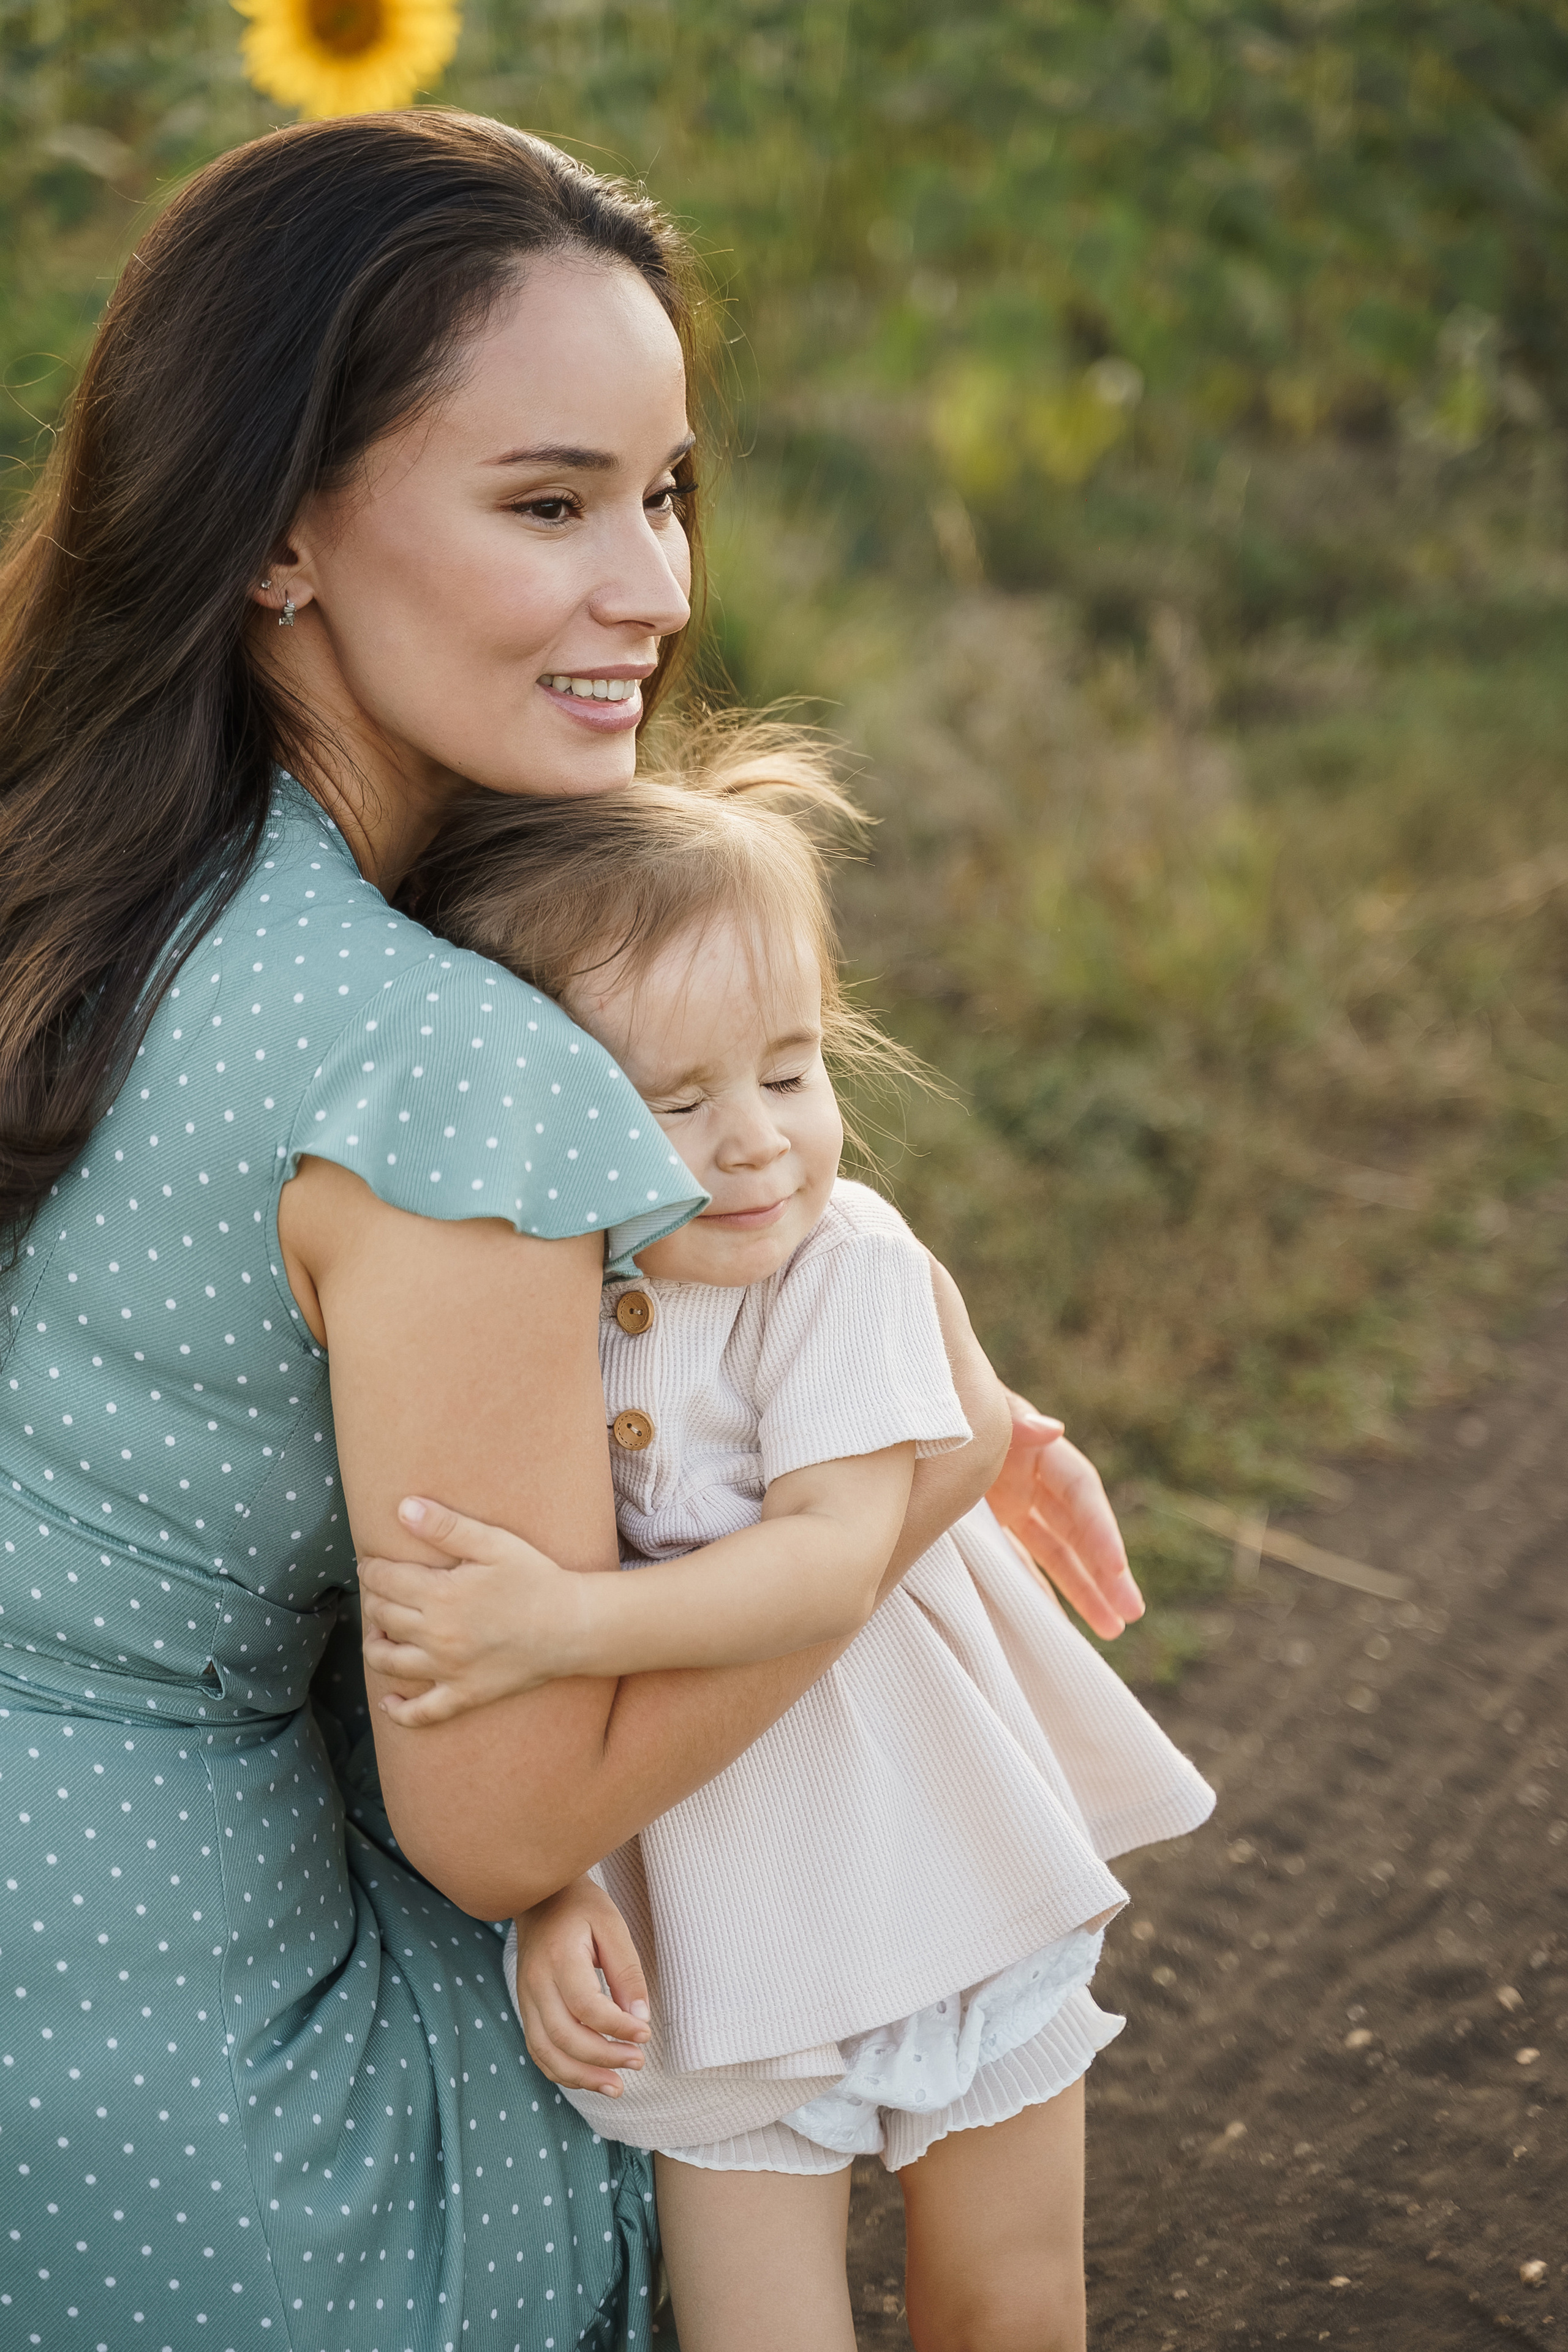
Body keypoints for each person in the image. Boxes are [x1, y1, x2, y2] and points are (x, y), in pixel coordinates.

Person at [0, 110, 1137, 2350]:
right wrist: (909, 1471)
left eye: (665, 492)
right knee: (716, 2044)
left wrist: (944, 1339)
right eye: (549, 505)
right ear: (276, 534)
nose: (661, 589)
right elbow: (508, 1828)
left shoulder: (94, 883)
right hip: (200, 2096)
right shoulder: (443, 1068)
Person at [356, 745, 1216, 2352]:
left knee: (1008, 2302)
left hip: (938, 1866)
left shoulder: (841, 1271)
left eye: (793, 1068)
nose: (757, 1142)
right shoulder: (523, 1317)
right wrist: (547, 1894)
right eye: (676, 1102)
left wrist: (552, 1624)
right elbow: (523, 1755)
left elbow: (833, 1562)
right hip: (709, 1943)